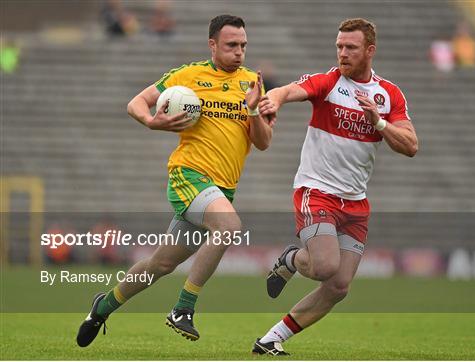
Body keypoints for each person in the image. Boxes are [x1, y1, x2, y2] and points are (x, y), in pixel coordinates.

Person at [76, 14, 274, 347]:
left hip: (222, 188)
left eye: (243, 45)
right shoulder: (188, 75)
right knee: (228, 226)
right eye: (231, 45)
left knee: (161, 264)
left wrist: (253, 110)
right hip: (188, 175)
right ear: (212, 45)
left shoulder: (252, 82)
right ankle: (183, 308)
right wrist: (152, 122)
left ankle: (103, 305)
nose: (239, 52)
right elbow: (136, 103)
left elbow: (264, 142)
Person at [252, 18, 418, 356]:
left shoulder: (389, 95)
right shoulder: (328, 82)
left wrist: (379, 123)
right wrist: (273, 100)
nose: (342, 53)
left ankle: (271, 338)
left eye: (351, 47)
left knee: (339, 285)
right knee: (324, 266)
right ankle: (292, 259)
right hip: (316, 191)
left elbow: (411, 145)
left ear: (370, 50)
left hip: (355, 202)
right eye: (339, 46)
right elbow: (288, 90)